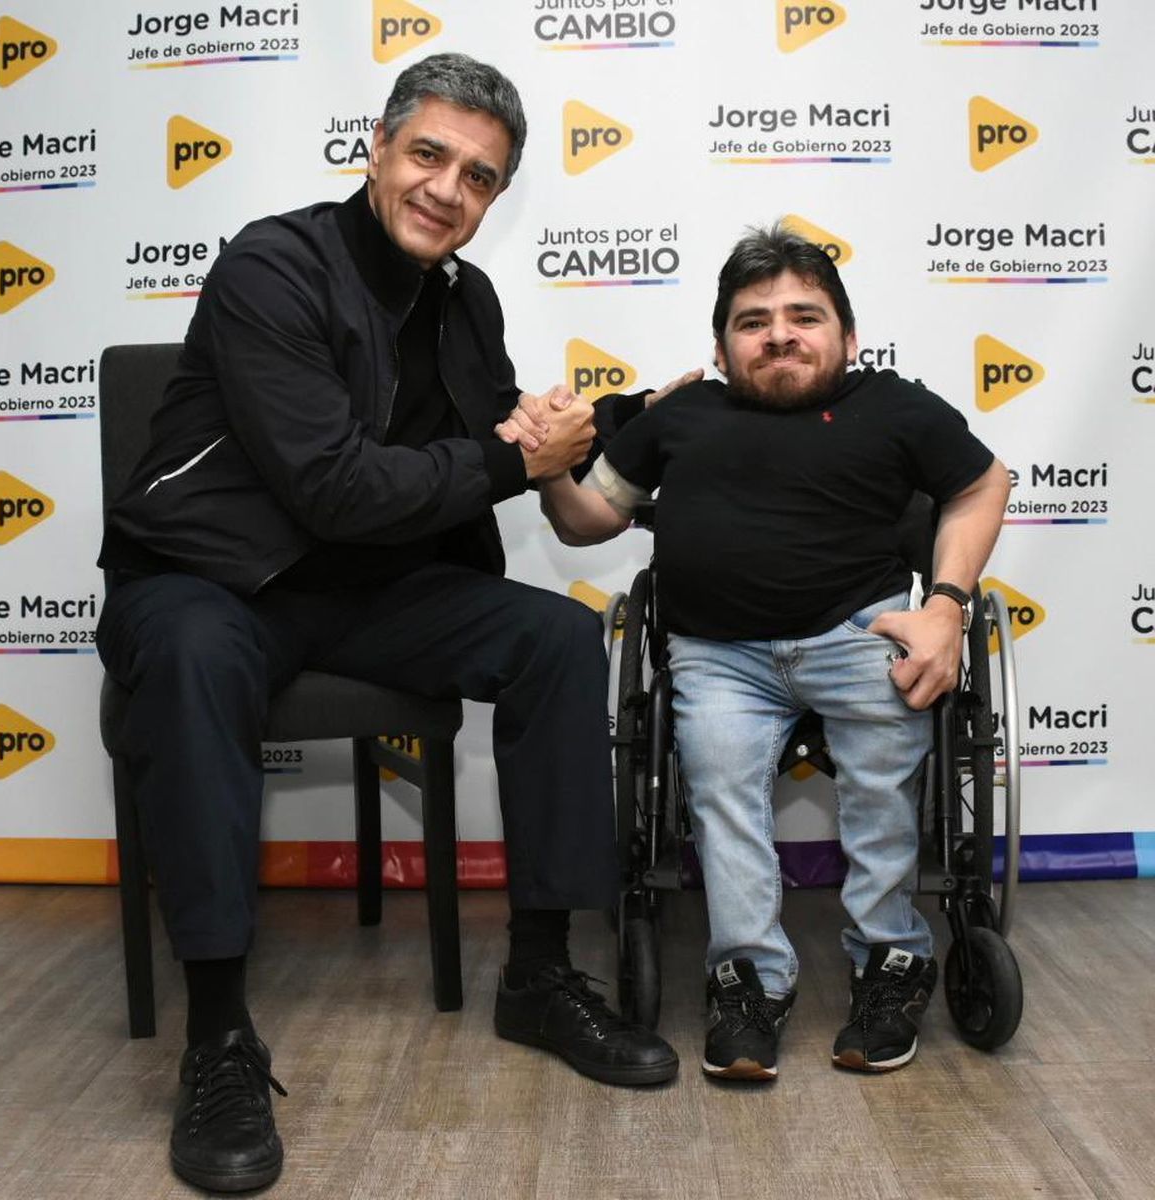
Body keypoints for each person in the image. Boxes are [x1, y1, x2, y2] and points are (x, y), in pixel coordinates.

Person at [96, 52, 677, 1194]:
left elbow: (515, 459)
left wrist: (623, 434)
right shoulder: (272, 265)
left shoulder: (471, 301)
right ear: (376, 148)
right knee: (195, 655)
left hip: (367, 592)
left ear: (495, 197)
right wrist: (518, 458)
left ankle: (540, 977)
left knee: (558, 641)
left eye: (479, 176)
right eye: (429, 155)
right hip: (211, 580)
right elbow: (335, 487)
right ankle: (218, 1039)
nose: (448, 190)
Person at [535, 224, 1011, 1082]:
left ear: (848, 337)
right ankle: (748, 979)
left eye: (804, 316)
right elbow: (587, 521)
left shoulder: (895, 405)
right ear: (721, 349)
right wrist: (547, 473)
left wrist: (945, 607)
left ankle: (891, 961)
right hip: (716, 654)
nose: (780, 334)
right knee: (719, 785)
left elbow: (983, 484)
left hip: (859, 633)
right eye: (754, 322)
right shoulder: (680, 416)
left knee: (883, 778)